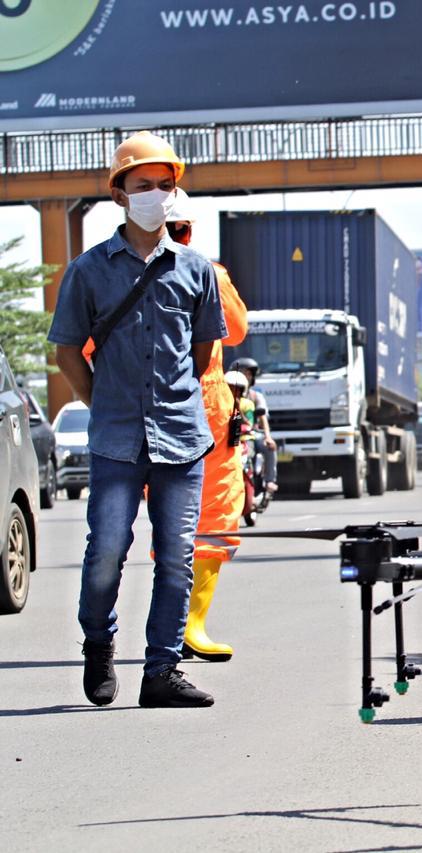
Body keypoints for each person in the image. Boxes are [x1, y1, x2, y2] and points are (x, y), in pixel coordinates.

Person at [49, 131, 226, 708]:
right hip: (116, 436)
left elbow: (200, 356)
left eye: (164, 185)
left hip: (181, 434)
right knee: (106, 550)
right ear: (120, 194)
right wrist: (103, 400)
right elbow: (67, 349)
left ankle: (161, 673)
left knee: (176, 557)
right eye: (142, 184)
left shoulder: (196, 271)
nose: (154, 193)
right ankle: (98, 645)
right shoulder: (88, 270)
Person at [164, 191, 249, 663]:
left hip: (147, 409)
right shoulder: (207, 273)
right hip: (205, 404)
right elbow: (235, 330)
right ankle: (191, 623)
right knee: (214, 515)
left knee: (167, 519)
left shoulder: (108, 272)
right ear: (188, 229)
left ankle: (169, 625)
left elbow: (88, 350)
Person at [230, 357, 277, 493]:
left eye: (249, 374)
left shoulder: (255, 397)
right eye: (243, 373)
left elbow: (260, 419)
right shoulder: (225, 395)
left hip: (250, 433)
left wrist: (268, 437)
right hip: (230, 433)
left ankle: (269, 480)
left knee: (267, 446)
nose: (247, 377)